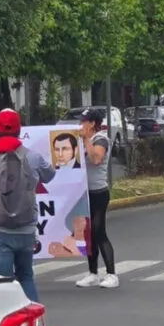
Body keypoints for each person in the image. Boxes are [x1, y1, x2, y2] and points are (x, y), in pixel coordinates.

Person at [0, 109, 56, 302]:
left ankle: (9, 325)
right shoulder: (32, 157)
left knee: (3, 282)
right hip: (26, 227)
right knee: (26, 276)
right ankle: (34, 319)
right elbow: (50, 176)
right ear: (19, 129)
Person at [74, 109, 118, 288]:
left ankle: (112, 274)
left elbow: (96, 159)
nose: (80, 125)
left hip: (98, 192)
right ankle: (93, 273)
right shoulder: (83, 140)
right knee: (88, 235)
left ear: (92, 123)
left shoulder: (100, 139)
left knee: (99, 232)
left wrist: (85, 140)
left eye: (83, 121)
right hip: (85, 193)